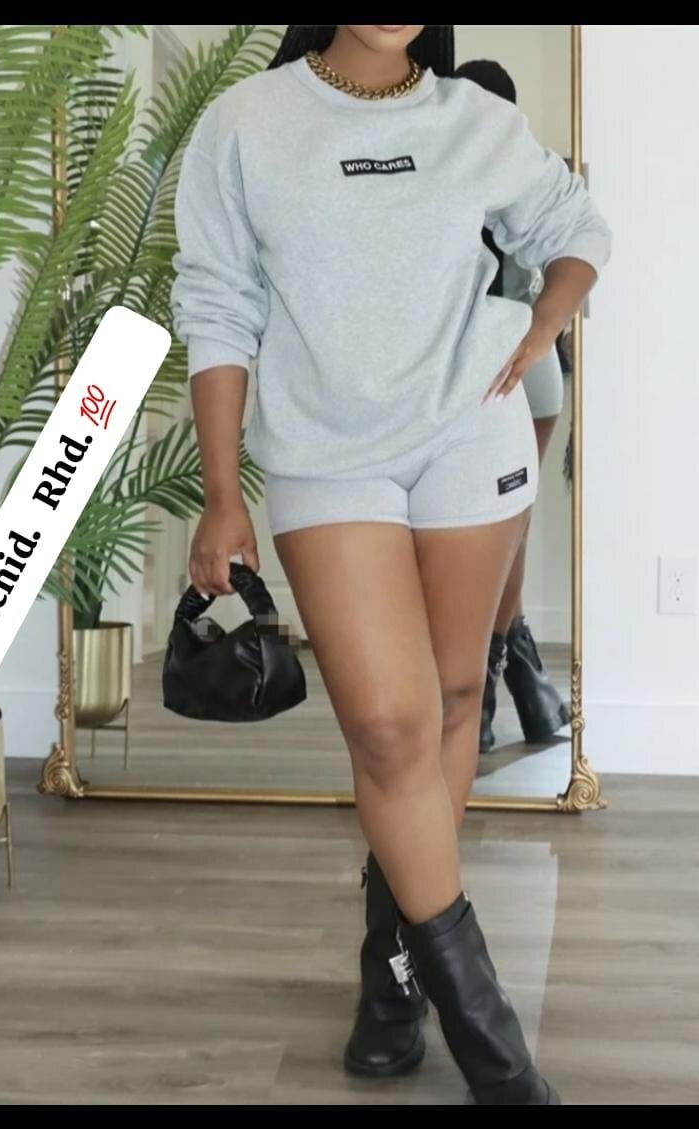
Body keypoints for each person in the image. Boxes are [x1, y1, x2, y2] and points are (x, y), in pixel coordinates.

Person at [172, 25, 611, 1105]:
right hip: (328, 456)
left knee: (456, 697)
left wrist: (545, 321)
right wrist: (222, 494)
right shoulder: (247, 124)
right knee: (387, 725)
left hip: (470, 434)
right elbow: (218, 305)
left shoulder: (473, 120)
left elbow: (577, 224)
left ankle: (395, 967)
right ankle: (495, 1050)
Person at [455, 58, 573, 757]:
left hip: (489, 371)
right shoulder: (524, 166)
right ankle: (520, 678)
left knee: (490, 533)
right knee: (511, 529)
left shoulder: (454, 172)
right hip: (538, 371)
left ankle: (484, 689)